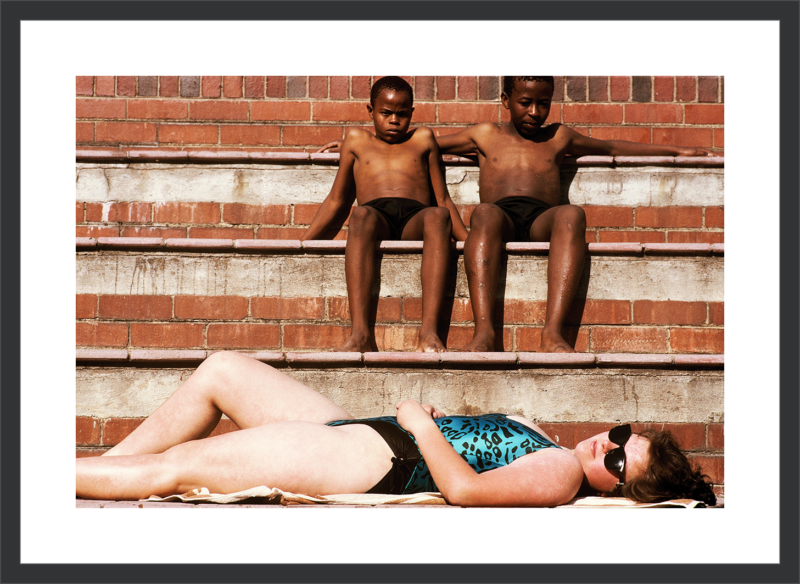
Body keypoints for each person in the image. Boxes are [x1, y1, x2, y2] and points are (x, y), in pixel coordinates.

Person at [318, 76, 722, 353]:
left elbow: (611, 147)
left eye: (542, 104)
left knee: (572, 215)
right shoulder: (484, 134)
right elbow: (411, 147)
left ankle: (551, 334)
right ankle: (485, 333)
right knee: (487, 214)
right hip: (501, 216)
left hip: (543, 217)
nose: (534, 112)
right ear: (505, 101)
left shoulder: (559, 136)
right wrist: (355, 147)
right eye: (525, 103)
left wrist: (675, 151)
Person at [76, 351, 717, 507]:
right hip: (361, 431)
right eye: (617, 436)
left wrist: (420, 422)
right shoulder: (549, 444)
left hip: (364, 456)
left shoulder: (557, 473)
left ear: (614, 491)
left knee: (181, 466)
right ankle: (94, 477)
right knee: (220, 370)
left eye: (616, 464)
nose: (602, 448)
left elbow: (464, 491)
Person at [301, 76, 469, 353]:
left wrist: (467, 240)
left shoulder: (423, 138)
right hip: (375, 217)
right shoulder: (356, 140)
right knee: (360, 215)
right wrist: (304, 242)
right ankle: (360, 335)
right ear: (370, 111)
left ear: (412, 112)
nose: (394, 120)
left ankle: (428, 333)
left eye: (402, 114)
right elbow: (338, 200)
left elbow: (442, 199)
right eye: (386, 113)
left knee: (438, 216)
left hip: (416, 218)